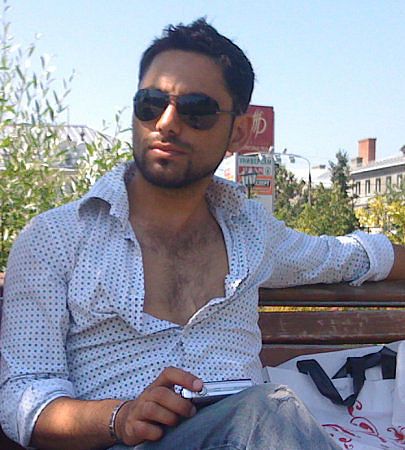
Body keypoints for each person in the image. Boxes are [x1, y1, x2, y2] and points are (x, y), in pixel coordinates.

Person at [0, 18, 404, 450]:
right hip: (123, 442)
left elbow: (353, 256)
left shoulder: (252, 232)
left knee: (267, 413)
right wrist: (121, 417)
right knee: (270, 412)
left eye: (196, 110)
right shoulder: (56, 239)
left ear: (239, 132)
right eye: (151, 104)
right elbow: (23, 395)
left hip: (248, 437)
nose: (167, 123)